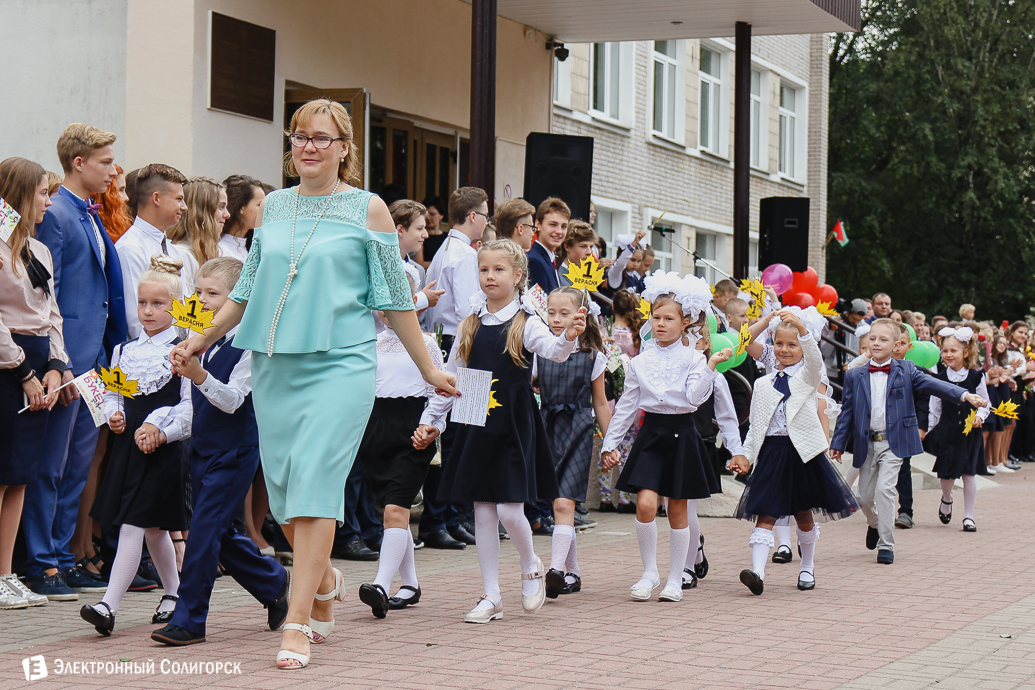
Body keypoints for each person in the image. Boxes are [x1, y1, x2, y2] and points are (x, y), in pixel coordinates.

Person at [172, 99, 455, 670]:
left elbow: (393, 300)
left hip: (340, 363)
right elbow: (248, 288)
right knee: (285, 496)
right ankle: (321, 578)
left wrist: (428, 368)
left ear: (345, 148)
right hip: (276, 364)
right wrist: (201, 339)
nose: (308, 146)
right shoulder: (272, 208)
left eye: (322, 138)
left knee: (318, 484)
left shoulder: (368, 210)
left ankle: (295, 623)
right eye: (300, 136)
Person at [413, 239, 585, 623]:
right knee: (482, 508)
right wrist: (432, 419)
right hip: (474, 404)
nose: (490, 277)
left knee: (509, 506)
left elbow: (553, 351)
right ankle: (491, 594)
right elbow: (451, 375)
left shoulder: (525, 321)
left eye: (499, 270)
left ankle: (529, 565)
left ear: (518, 275)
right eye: (484, 270)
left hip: (512, 414)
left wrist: (569, 336)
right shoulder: (470, 321)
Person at [151, 257, 288, 646]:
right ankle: (273, 582)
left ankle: (190, 619)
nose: (203, 300)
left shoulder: (250, 343)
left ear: (237, 300)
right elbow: (189, 404)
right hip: (203, 448)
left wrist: (200, 375)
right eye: (198, 292)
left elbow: (233, 401)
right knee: (222, 533)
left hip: (236, 449)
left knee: (203, 533)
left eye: (213, 293)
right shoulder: (197, 335)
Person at [31, 124, 127, 601]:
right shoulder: (58, 214)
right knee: (52, 462)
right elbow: (49, 295)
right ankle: (42, 562)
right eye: (107, 161)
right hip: (67, 360)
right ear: (79, 163)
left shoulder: (89, 213)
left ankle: (65, 556)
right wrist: (60, 361)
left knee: (78, 463)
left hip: (95, 361)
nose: (113, 169)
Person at [81, 256, 190, 636]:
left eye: (158, 304)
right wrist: (113, 414)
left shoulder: (183, 350)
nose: (148, 311)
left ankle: (108, 605)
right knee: (154, 528)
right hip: (129, 449)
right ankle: (175, 593)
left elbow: (188, 407)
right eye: (142, 303)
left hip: (161, 451)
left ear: (176, 305)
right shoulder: (124, 351)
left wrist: (163, 431)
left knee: (134, 524)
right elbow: (113, 394)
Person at [600, 271, 721, 603]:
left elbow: (695, 398)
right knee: (645, 504)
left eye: (670, 318)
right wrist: (610, 442)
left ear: (684, 323)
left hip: (682, 434)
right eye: (656, 317)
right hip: (651, 434)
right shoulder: (641, 360)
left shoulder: (693, 357)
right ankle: (649, 572)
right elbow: (627, 404)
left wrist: (709, 366)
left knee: (678, 510)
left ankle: (674, 579)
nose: (662, 323)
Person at [830, 318, 987, 565]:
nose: (876, 343)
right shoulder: (855, 375)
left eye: (883, 339)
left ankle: (886, 545)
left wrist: (965, 394)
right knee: (864, 496)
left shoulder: (907, 370)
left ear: (896, 345)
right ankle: (874, 523)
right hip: (866, 442)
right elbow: (847, 410)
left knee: (884, 490)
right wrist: (838, 443)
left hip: (894, 442)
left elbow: (935, 384)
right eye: (872, 338)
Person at [729, 309, 858, 594]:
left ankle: (807, 567)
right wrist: (745, 455)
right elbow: (756, 426)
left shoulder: (808, 376)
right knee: (766, 511)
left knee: (803, 513)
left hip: (804, 454)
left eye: (792, 344)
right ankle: (757, 572)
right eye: (778, 344)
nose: (784, 350)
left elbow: (814, 359)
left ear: (801, 344)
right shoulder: (763, 384)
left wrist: (802, 328)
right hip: (773, 453)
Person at [0, 157, 69, 609]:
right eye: (43, 192)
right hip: (7, 365)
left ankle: (5, 574)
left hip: (39, 364)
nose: (48, 201)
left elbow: (53, 315)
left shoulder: (38, 249)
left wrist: (56, 366)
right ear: (20, 194)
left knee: (20, 475)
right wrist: (24, 371)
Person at [355, 279, 445, 619]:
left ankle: (380, 583)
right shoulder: (368, 344)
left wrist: (431, 426)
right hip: (375, 432)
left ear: (414, 302)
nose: (387, 309)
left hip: (413, 431)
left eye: (397, 300)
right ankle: (410, 584)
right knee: (396, 513)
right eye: (381, 301)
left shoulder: (425, 342)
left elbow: (439, 390)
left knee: (395, 510)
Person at [420, 186, 489, 551]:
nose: (487, 221)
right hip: (462, 344)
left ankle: (454, 515)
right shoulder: (462, 255)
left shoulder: (448, 249)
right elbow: (468, 309)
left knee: (461, 434)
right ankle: (444, 516)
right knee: (461, 435)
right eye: (486, 214)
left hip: (452, 340)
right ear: (473, 216)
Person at [537, 287, 611, 598]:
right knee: (557, 503)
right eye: (551, 312)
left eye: (564, 313)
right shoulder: (539, 349)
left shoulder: (593, 357)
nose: (556, 319)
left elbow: (601, 403)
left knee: (564, 502)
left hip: (578, 428)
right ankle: (573, 573)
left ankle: (555, 570)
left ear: (581, 315)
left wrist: (611, 443)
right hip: (546, 428)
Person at [926, 326, 990, 533]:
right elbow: (934, 409)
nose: (948, 355)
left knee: (968, 473)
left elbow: (985, 403)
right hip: (948, 430)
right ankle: (947, 498)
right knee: (947, 474)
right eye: (945, 351)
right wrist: (924, 431)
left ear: (965, 352)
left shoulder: (976, 376)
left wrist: (980, 416)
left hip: (970, 432)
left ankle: (969, 516)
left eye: (953, 351)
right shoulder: (939, 378)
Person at [115, 163, 191, 338]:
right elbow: (136, 317)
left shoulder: (173, 250)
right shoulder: (131, 248)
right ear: (156, 199)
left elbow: (184, 305)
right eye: (179, 199)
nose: (184, 207)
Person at [598, 289, 644, 513]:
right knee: (627, 448)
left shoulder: (605, 332)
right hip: (630, 397)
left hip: (607, 397)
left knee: (608, 445)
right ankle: (625, 498)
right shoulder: (635, 335)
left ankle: (605, 497)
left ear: (613, 307)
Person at [167, 177, 229, 295]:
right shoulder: (181, 255)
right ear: (201, 212)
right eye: (221, 207)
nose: (227, 214)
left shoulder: (207, 252)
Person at [390, 199, 444, 317]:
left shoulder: (418, 270)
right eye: (420, 228)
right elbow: (380, 312)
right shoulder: (379, 265)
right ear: (400, 230)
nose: (426, 234)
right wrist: (423, 298)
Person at [527, 197, 570, 293]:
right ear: (538, 224)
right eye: (553, 225)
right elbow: (539, 306)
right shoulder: (535, 261)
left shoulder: (548, 259)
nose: (559, 231)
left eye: (563, 226)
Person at [218, 175, 265, 263]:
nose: (264, 210)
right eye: (259, 205)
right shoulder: (220, 250)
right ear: (241, 207)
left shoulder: (249, 247)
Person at [92, 164, 133, 243]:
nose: (126, 198)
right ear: (107, 195)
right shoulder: (95, 230)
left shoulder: (121, 225)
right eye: (121, 190)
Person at [556, 222, 598, 288]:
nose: (589, 252)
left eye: (591, 247)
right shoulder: (559, 280)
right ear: (567, 247)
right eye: (583, 246)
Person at [414, 195, 448, 269]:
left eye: (432, 214)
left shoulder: (448, 237)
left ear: (441, 216)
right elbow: (419, 263)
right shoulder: (421, 236)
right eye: (426, 214)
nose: (428, 218)